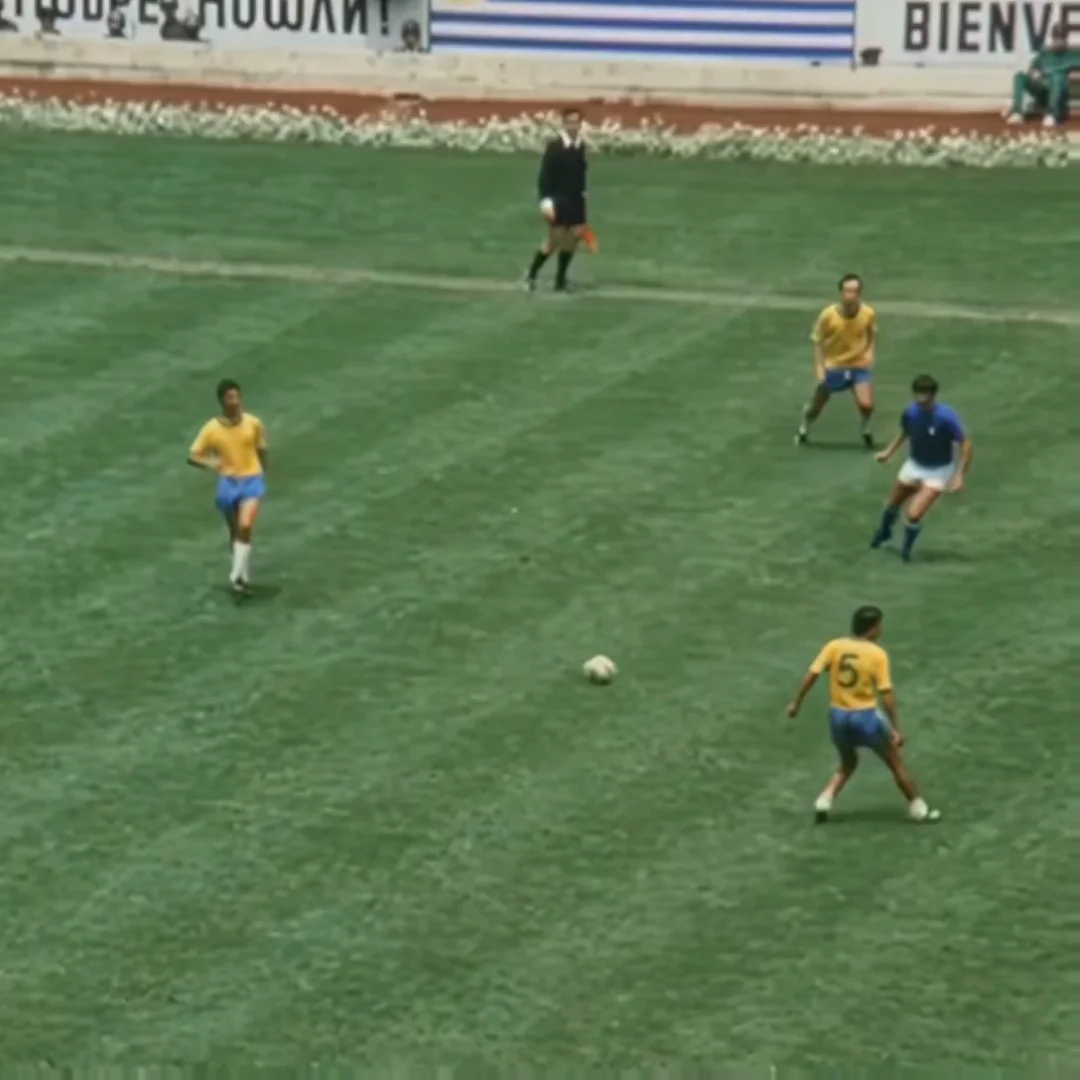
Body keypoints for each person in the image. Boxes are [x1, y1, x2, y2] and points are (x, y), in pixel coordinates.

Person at [786, 605, 940, 824]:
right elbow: (886, 694)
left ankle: (824, 800)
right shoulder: (877, 654)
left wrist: (796, 703)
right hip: (866, 717)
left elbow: (812, 675)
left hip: (838, 716)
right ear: (872, 628)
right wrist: (895, 728)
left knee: (847, 763)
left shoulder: (834, 646)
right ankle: (919, 808)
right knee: (895, 763)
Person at [870, 374, 972, 562]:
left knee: (914, 514)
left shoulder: (946, 418)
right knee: (892, 504)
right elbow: (905, 431)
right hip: (914, 465)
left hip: (938, 472)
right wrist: (889, 452)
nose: (921, 401)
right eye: (918, 396)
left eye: (925, 398)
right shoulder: (910, 413)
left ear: (933, 396)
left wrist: (959, 475)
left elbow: (965, 444)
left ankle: (905, 552)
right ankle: (884, 532)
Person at [187, 379, 267, 596]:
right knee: (236, 533)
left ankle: (235, 574)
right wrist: (213, 463)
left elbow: (261, 449)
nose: (235, 402)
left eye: (237, 397)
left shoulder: (253, 423)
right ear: (222, 401)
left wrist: (262, 472)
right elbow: (193, 455)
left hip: (252, 480)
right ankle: (242, 578)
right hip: (228, 483)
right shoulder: (212, 429)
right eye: (230, 398)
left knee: (245, 525)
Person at [796, 273, 877, 449]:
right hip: (834, 366)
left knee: (867, 404)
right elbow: (818, 340)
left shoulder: (868, 313)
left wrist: (870, 353)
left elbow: (871, 333)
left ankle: (864, 429)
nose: (851, 295)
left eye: (855, 291)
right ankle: (805, 426)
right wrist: (819, 367)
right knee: (816, 407)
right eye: (848, 291)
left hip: (858, 365)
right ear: (841, 293)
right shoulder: (828, 315)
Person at [524, 107, 588, 293]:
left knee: (573, 238)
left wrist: (584, 195)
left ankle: (560, 280)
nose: (573, 126)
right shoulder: (555, 147)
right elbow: (545, 176)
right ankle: (532, 274)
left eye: (576, 122)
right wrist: (545, 201)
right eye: (570, 122)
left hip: (576, 199)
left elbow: (581, 174)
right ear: (564, 124)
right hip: (558, 199)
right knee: (554, 240)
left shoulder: (580, 146)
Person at [1006, 24, 1078, 128]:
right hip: (1042, 92)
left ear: (1066, 39)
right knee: (1020, 76)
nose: (1059, 41)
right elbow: (1032, 70)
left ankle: (1052, 115)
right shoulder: (1045, 54)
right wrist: (1035, 74)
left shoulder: (1073, 55)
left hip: (1059, 98)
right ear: (1052, 39)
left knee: (1058, 76)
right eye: (1056, 38)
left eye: (1062, 38)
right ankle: (1017, 112)